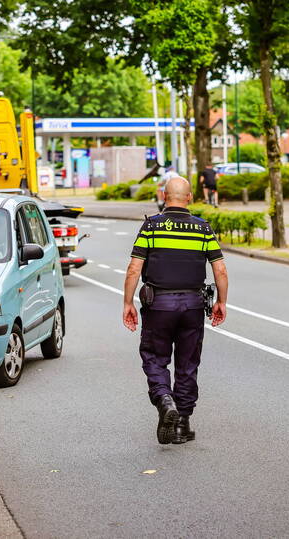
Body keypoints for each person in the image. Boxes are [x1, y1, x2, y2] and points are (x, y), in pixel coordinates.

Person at [121, 176, 228, 444]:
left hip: (159, 306)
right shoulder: (203, 229)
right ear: (189, 197)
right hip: (192, 306)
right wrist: (221, 302)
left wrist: (127, 302)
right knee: (187, 363)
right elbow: (220, 269)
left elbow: (135, 267)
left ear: (164, 196)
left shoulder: (152, 227)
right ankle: (182, 424)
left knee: (155, 357)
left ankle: (164, 399)